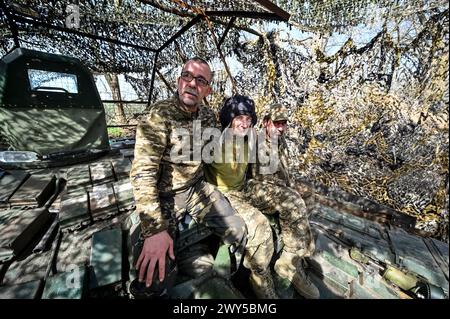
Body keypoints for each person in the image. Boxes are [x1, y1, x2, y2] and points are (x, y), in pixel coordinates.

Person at [130, 57, 247, 289]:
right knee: (152, 276)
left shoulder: (207, 116)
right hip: (163, 196)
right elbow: (143, 171)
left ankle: (224, 281)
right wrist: (155, 229)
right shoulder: (158, 116)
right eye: (188, 76)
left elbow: (216, 152)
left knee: (239, 230)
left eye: (201, 80)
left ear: (207, 90)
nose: (193, 83)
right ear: (179, 80)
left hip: (195, 189)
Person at [204, 95, 279, 299]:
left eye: (248, 119)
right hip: (222, 194)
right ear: (229, 118)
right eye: (239, 118)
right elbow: (191, 174)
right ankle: (261, 283)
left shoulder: (250, 137)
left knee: (291, 201)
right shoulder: (212, 141)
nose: (245, 123)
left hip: (243, 187)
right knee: (260, 225)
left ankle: (291, 263)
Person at [245, 102, 320, 299]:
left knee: (310, 194)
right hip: (258, 187)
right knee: (293, 200)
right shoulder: (257, 140)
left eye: (283, 124)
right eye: (276, 123)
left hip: (278, 186)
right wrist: (290, 191)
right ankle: (287, 262)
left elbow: (285, 173)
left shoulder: (281, 141)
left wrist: (293, 187)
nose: (280, 127)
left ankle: (297, 251)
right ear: (266, 122)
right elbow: (263, 177)